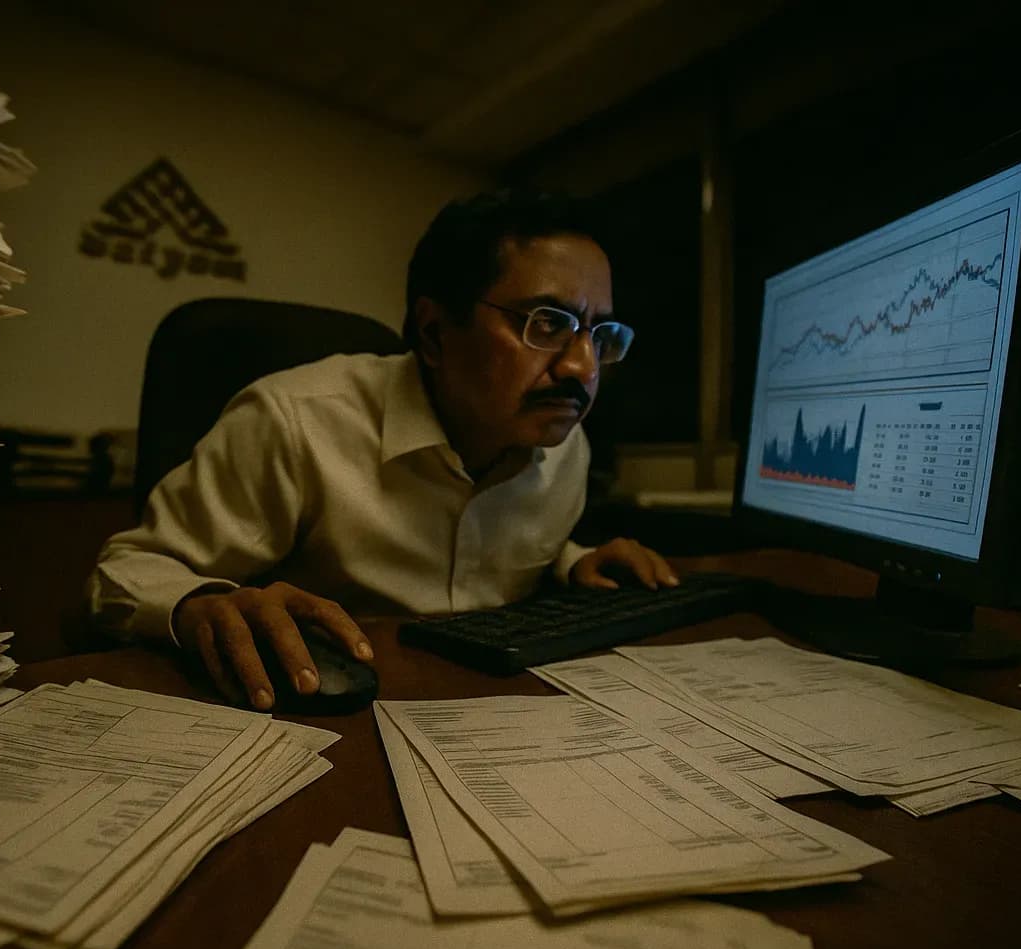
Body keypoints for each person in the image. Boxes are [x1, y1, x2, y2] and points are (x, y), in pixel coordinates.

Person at [90, 189, 676, 710]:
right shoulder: (294, 421)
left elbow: (494, 544)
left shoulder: (565, 443)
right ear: (432, 332)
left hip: (492, 711)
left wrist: (572, 561)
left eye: (600, 335)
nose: (583, 367)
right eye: (547, 325)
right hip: (317, 721)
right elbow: (126, 570)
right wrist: (197, 606)